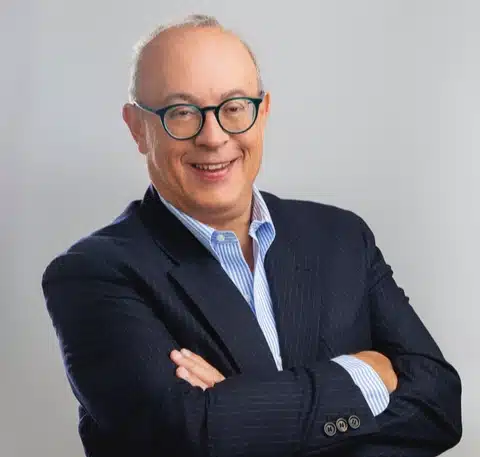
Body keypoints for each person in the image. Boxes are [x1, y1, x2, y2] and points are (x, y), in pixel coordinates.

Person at [42, 14, 462, 457]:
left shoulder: (342, 238)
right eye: (181, 113)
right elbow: (185, 437)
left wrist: (241, 411)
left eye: (234, 107)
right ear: (136, 127)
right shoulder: (92, 274)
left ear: (262, 112)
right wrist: (361, 376)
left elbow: (439, 406)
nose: (213, 136)